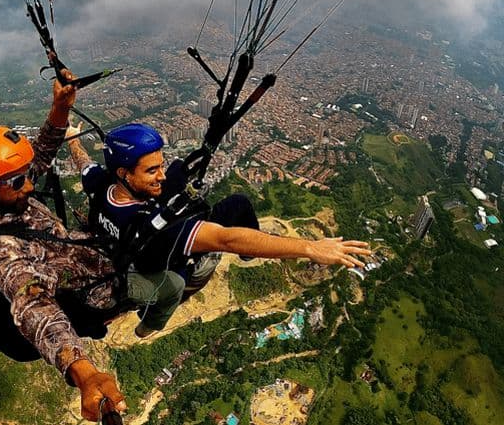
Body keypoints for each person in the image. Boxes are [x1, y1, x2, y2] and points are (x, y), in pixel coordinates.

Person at [65, 121, 372, 336]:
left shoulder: (102, 184)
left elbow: (84, 163)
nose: (160, 176)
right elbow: (227, 239)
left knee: (236, 202)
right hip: (146, 266)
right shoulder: (151, 225)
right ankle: (149, 325)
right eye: (151, 170)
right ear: (125, 173)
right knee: (175, 284)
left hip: (126, 239)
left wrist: (74, 140)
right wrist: (309, 248)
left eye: (161, 165)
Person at [0, 70, 127, 422]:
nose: (29, 186)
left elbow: (39, 157)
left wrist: (60, 109)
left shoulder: (3, 197)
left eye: (25, 175)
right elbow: (34, 306)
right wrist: (84, 372)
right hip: (70, 299)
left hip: (71, 256)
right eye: (17, 181)